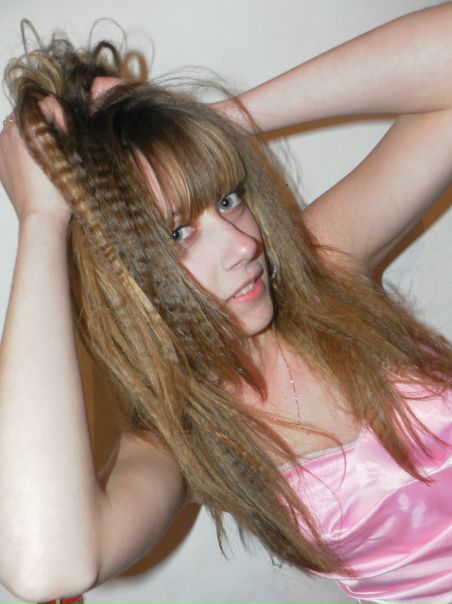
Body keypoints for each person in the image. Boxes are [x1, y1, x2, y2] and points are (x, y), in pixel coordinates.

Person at [0, 4, 452, 604]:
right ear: (122, 279)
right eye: (179, 233)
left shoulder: (319, 267)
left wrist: (205, 126)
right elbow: (46, 566)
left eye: (227, 199)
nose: (244, 245)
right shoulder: (183, 439)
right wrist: (41, 219)